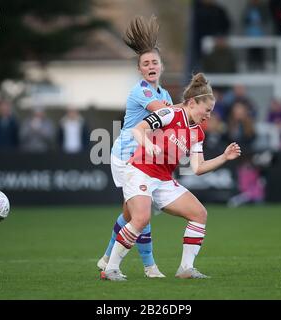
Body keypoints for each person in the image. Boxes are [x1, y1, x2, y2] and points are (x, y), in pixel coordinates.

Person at [102, 73, 242, 281]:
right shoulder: (170, 113)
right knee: (140, 218)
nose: (208, 116)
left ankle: (186, 268)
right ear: (193, 103)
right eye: (207, 110)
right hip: (139, 170)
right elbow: (138, 129)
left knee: (199, 214)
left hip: (162, 179)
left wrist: (224, 157)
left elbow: (199, 167)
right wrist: (148, 145)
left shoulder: (197, 132)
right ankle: (111, 268)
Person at [97, 16, 174, 278]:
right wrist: (191, 111)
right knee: (143, 215)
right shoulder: (140, 92)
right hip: (125, 158)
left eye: (154, 62)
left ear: (161, 67)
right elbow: (165, 114)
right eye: (146, 63)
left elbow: (166, 125)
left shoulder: (165, 94)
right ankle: (149, 267)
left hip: (143, 158)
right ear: (140, 70)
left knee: (132, 215)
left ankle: (107, 258)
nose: (151, 66)